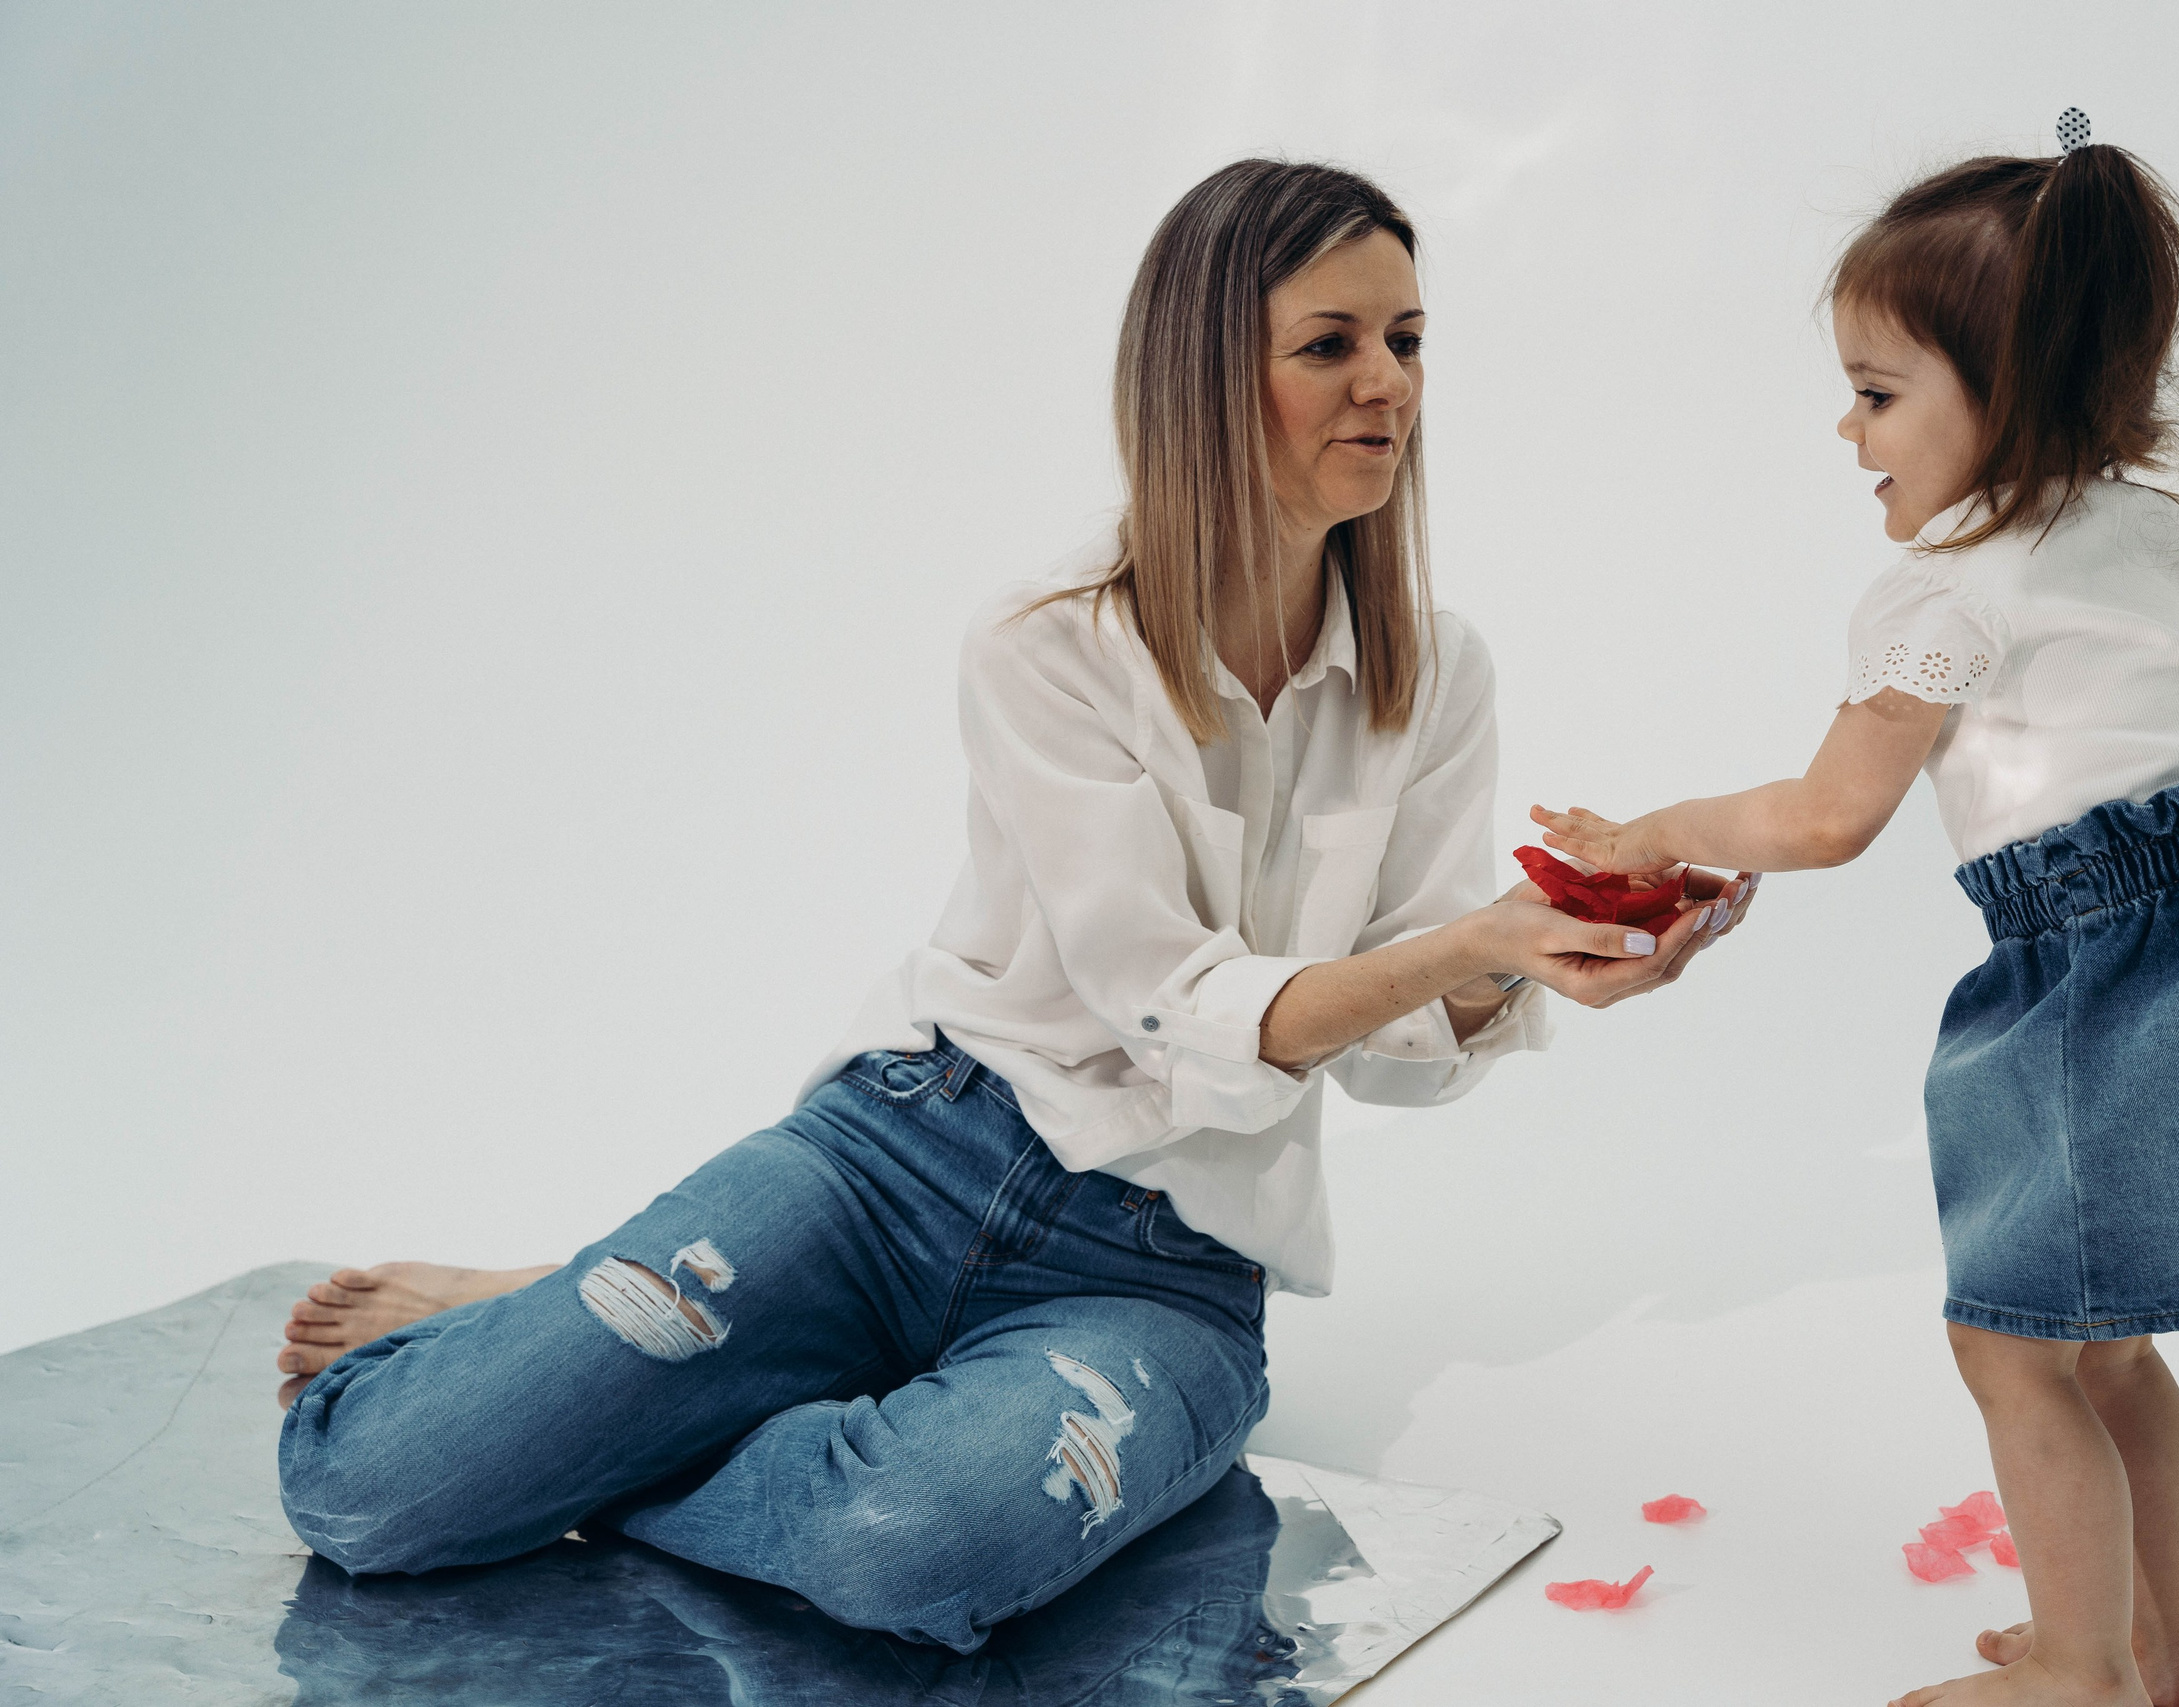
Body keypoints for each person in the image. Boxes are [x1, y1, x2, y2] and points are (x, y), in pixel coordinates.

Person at [272, 158, 1752, 1654]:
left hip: (1160, 1277)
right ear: (1201, 377)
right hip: (898, 1161)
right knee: (371, 1487)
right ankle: (584, 1342)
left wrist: (1534, 955)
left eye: (1408, 341)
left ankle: (639, 1372)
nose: (1388, 385)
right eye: (1332, 345)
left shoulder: (1437, 672)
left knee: (912, 1547)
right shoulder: (1048, 642)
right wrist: (1473, 942)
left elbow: (1390, 1036)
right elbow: (1164, 1001)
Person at [1531, 116, 2179, 1707]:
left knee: (2016, 1344)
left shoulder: (1946, 592)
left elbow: (1831, 815)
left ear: (2015, 388)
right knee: (2107, 1347)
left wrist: (1659, 830)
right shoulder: (2160, 526)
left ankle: (2082, 1674)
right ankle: (2157, 1646)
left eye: (1878, 393)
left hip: (2101, 972)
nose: (1848, 433)